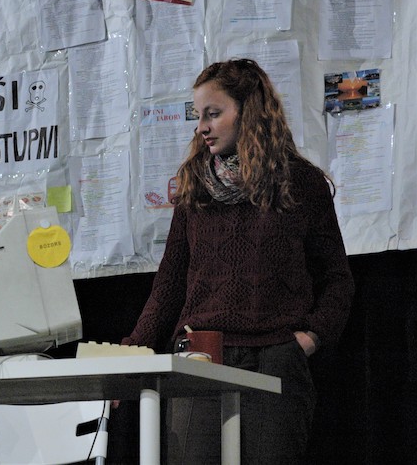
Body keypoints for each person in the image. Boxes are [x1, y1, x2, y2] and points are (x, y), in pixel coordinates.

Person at [122, 59, 355, 464]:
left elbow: (337, 278)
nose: (202, 127)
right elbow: (169, 284)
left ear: (248, 111)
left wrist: (310, 339)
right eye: (199, 116)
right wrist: (131, 354)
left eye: (213, 113)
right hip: (199, 358)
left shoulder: (300, 183)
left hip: (274, 359)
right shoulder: (195, 187)